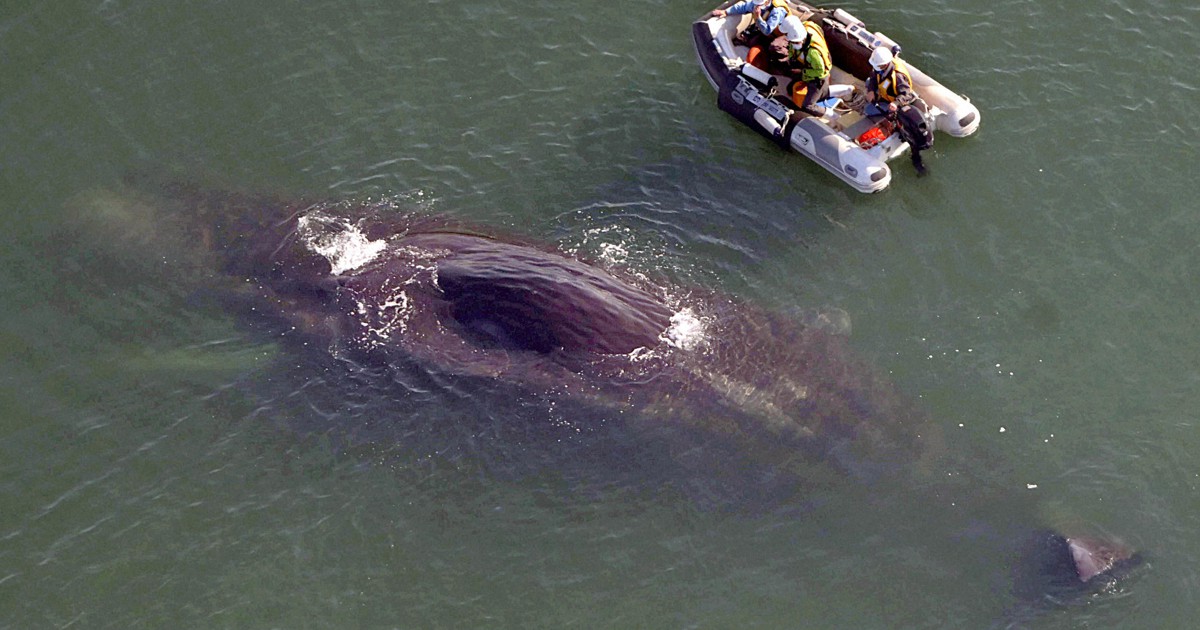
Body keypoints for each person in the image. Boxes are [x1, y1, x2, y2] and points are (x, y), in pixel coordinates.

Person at [711, 0, 793, 73]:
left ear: (767, 2)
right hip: (769, 33)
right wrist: (726, 12)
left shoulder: (777, 11)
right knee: (752, 42)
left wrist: (758, 17)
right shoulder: (757, 4)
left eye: (760, 4)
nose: (756, 6)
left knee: (773, 47)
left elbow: (767, 30)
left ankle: (778, 66)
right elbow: (744, 6)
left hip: (783, 36)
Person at [780, 16, 832, 116]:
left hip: (818, 78)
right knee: (791, 90)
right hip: (807, 70)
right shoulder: (801, 32)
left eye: (796, 42)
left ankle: (831, 115)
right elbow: (792, 49)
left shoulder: (813, 53)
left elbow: (820, 71)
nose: (794, 44)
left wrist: (802, 72)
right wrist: (790, 58)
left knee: (808, 106)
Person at [862, 46, 913, 118]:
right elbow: (873, 78)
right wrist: (871, 90)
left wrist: (896, 103)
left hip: (892, 102)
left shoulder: (898, 77)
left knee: (868, 110)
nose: (875, 68)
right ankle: (878, 99)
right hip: (884, 92)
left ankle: (888, 114)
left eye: (877, 66)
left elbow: (908, 94)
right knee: (868, 81)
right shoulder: (879, 69)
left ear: (885, 65)